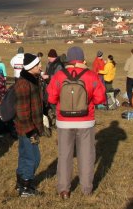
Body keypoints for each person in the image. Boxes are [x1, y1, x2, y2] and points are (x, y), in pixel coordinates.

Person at [46, 46, 106, 199]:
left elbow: (51, 98)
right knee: (86, 156)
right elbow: (100, 98)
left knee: (64, 155)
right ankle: (87, 189)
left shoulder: (59, 76)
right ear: (82, 59)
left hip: (64, 122)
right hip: (86, 121)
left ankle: (64, 190)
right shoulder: (92, 76)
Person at [13, 53, 45, 197]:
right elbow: (22, 111)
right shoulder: (24, 84)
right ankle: (26, 187)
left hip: (29, 127)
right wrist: (31, 130)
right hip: (27, 128)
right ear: (31, 67)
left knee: (25, 155)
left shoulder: (32, 80)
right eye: (38, 65)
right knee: (33, 157)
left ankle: (20, 183)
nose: (41, 66)